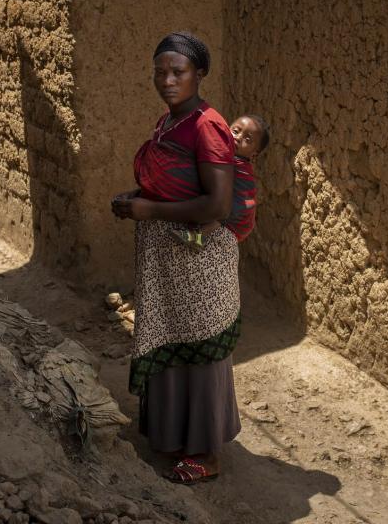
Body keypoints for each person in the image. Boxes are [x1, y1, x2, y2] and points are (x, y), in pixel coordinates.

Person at [111, 32, 241, 484]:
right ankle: (170, 438)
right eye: (159, 72)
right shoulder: (170, 121)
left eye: (178, 72)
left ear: (199, 75)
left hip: (199, 262)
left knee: (199, 352)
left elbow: (218, 205)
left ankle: (205, 454)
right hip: (167, 258)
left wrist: (150, 210)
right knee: (169, 342)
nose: (167, 80)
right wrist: (137, 198)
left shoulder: (207, 125)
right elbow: (171, 179)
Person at [168, 113, 270, 251]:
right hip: (234, 211)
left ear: (254, 154)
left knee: (223, 209)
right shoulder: (225, 156)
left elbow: (242, 200)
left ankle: (198, 237)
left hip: (239, 217)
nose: (238, 138)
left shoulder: (240, 167)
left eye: (247, 139)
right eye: (235, 131)